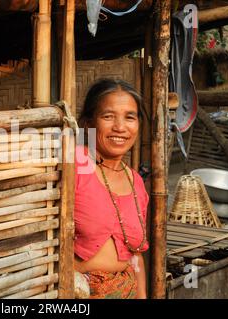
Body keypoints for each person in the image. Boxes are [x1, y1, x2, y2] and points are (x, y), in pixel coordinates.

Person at [74, 78, 149, 299]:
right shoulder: (76, 164)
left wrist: (142, 296)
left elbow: (135, 256)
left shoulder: (136, 181)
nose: (120, 127)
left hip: (126, 290)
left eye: (130, 117)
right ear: (88, 122)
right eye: (108, 116)